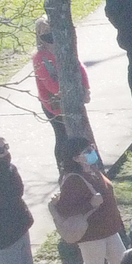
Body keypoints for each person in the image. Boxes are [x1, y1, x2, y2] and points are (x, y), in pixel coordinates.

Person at [53, 138, 128, 264]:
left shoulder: (92, 169)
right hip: (91, 234)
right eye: (86, 151)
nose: (91, 152)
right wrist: (90, 205)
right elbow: (65, 210)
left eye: (91, 147)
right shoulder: (73, 180)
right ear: (75, 158)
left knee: (120, 261)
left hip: (108, 229)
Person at [31, 17, 89, 171]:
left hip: (74, 98)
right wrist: (68, 92)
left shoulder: (63, 49)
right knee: (63, 136)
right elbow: (49, 84)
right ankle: (65, 168)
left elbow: (80, 68)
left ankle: (89, 164)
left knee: (83, 134)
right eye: (44, 32)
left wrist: (85, 88)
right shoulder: (40, 58)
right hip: (54, 104)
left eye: (50, 30)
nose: (48, 34)